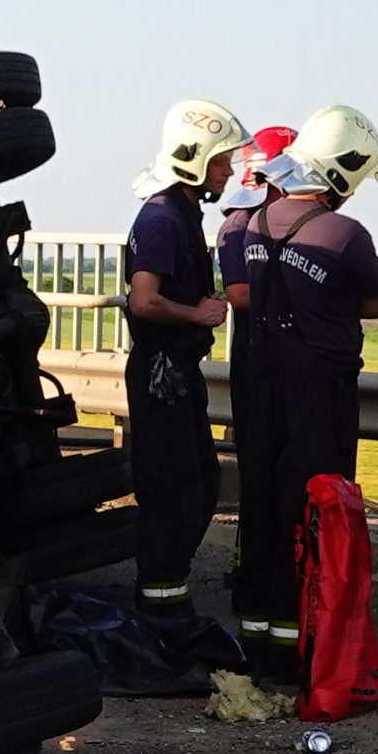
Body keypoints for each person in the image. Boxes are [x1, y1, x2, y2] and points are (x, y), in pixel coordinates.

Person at [218, 104, 378, 681]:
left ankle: (259, 638)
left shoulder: (255, 221)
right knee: (314, 509)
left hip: (260, 380)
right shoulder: (344, 233)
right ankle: (304, 643)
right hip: (319, 389)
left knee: (264, 504)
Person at [122, 99, 251, 633]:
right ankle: (161, 606)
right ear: (195, 160)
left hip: (175, 370)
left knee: (199, 479)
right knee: (176, 489)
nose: (229, 173)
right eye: (222, 163)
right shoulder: (161, 217)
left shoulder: (178, 212)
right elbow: (143, 300)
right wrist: (196, 312)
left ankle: (166, 593)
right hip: (162, 373)